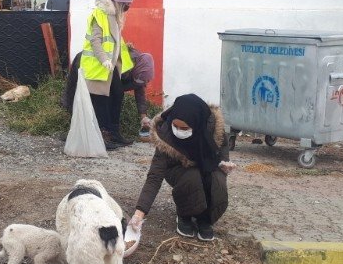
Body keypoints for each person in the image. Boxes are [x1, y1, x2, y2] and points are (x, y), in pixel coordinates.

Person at [128, 94, 236, 242]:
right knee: (192, 178)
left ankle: (205, 218)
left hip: (207, 164)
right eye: (175, 126)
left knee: (217, 180)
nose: (179, 131)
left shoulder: (212, 126)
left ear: (198, 124)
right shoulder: (165, 135)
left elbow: (222, 146)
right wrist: (139, 214)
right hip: (178, 170)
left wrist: (224, 163)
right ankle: (184, 215)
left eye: (184, 128)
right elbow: (154, 176)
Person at [80, 0, 136, 150]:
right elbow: (95, 40)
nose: (127, 9)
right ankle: (102, 136)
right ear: (119, 3)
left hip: (111, 68)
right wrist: (104, 59)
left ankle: (114, 132)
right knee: (101, 102)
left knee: (117, 95)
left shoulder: (115, 15)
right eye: (126, 6)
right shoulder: (100, 13)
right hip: (97, 66)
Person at [61, 43, 155, 139]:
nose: (138, 82)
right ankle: (87, 133)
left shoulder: (141, 68)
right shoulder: (123, 60)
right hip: (88, 63)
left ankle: (106, 133)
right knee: (87, 98)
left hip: (103, 74)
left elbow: (139, 90)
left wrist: (143, 117)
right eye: (138, 79)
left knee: (112, 98)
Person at [120, 45, 155, 138]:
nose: (140, 83)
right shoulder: (124, 63)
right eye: (140, 80)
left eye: (144, 82)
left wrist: (144, 118)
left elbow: (140, 94)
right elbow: (115, 88)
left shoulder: (141, 67)